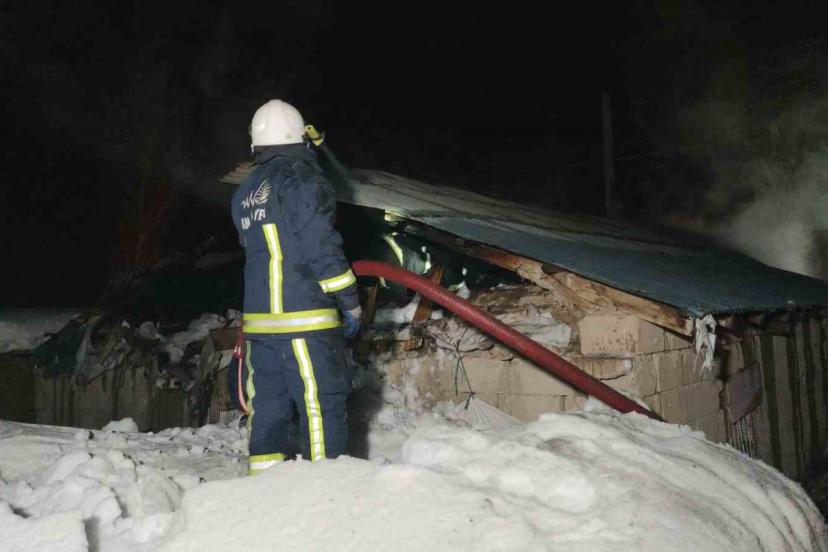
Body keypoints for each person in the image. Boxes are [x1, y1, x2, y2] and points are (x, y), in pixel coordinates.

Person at [231, 99, 361, 475]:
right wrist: (349, 300)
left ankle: (265, 491)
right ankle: (324, 493)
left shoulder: (245, 191)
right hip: (304, 319)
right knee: (321, 406)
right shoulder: (301, 178)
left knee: (267, 413)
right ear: (300, 136)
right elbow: (320, 244)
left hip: (260, 328)